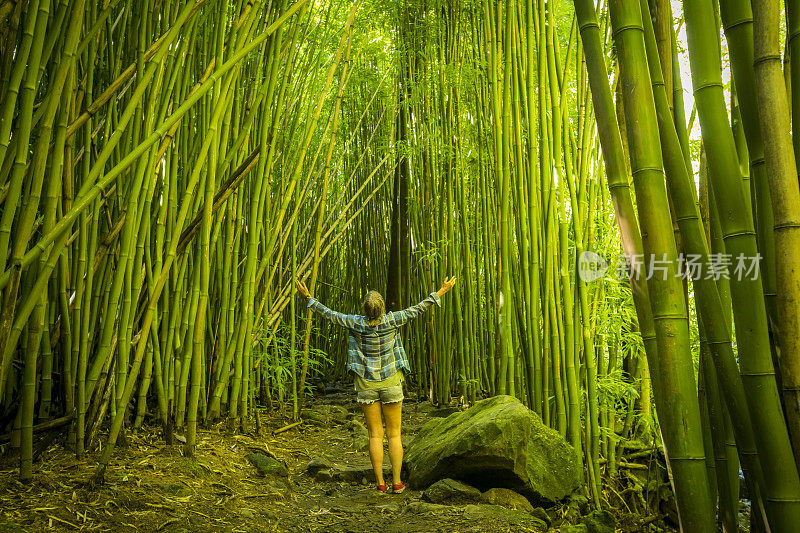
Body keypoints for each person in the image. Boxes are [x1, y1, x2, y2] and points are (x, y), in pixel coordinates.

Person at [294, 277, 457, 494]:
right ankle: (397, 482)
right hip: (391, 382)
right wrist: (442, 291)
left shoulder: (354, 322)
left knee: (374, 435)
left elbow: (329, 314)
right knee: (395, 434)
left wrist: (308, 297)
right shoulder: (392, 320)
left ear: (365, 308)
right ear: (381, 308)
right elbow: (418, 309)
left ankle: (380, 483)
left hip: (366, 383)